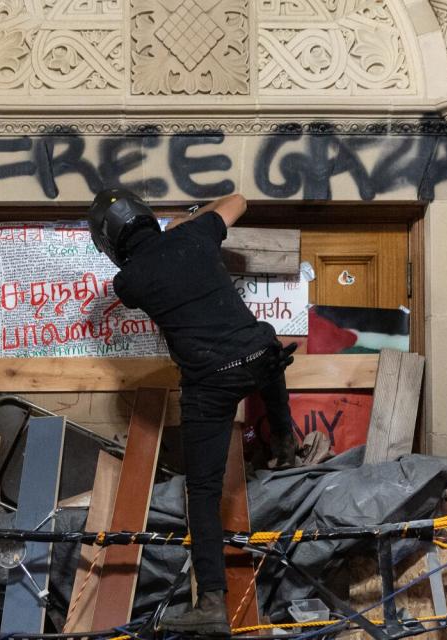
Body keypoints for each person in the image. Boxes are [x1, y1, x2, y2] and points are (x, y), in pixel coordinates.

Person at [87, 188, 299, 636]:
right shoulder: (197, 235)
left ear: (110, 243)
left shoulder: (130, 281)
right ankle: (284, 435)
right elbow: (239, 199)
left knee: (202, 492)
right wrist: (188, 221)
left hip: (212, 379)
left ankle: (212, 603)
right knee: (267, 349)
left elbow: (148, 272)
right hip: (259, 356)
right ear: (147, 218)